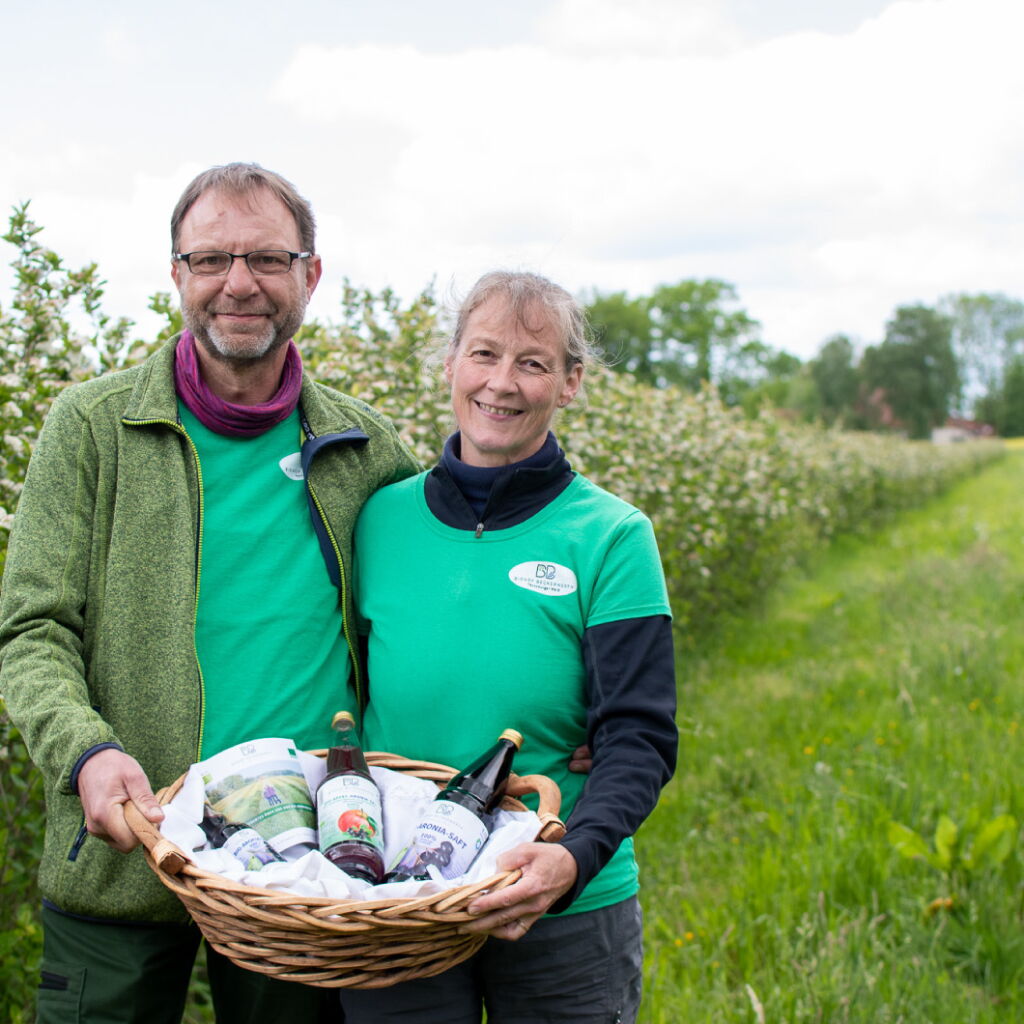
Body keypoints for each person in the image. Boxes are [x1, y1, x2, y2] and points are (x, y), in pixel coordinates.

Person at [0, 163, 420, 1024]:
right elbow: (31, 627)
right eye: (211, 259)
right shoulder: (91, 427)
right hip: (126, 845)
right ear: (177, 276)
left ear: (310, 274)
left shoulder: (367, 448)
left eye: (268, 258)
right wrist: (85, 754)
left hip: (305, 865)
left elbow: (437, 617)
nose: (239, 283)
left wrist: (557, 714)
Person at [340, 271, 678, 1023]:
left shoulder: (613, 537)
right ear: (451, 364)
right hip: (399, 900)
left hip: (563, 902)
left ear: (571, 382)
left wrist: (573, 856)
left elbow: (641, 736)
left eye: (533, 362)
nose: (502, 383)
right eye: (485, 354)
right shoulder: (379, 521)